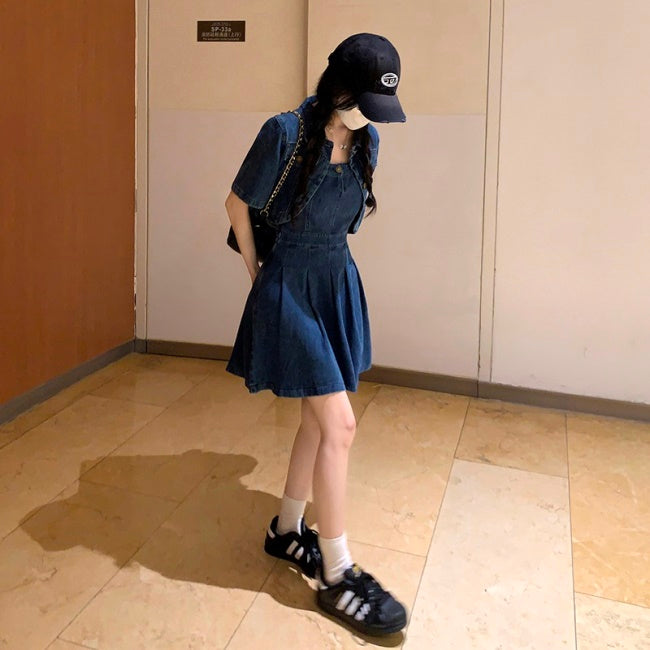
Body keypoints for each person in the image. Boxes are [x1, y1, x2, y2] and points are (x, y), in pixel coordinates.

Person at [224, 33, 407, 636]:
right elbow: (236, 204)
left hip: (335, 279)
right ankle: (337, 571)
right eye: (364, 104)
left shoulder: (367, 140)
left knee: (316, 420)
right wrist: (259, 276)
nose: (369, 119)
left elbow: (347, 219)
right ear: (339, 88)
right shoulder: (283, 132)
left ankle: (286, 530)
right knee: (340, 425)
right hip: (290, 284)